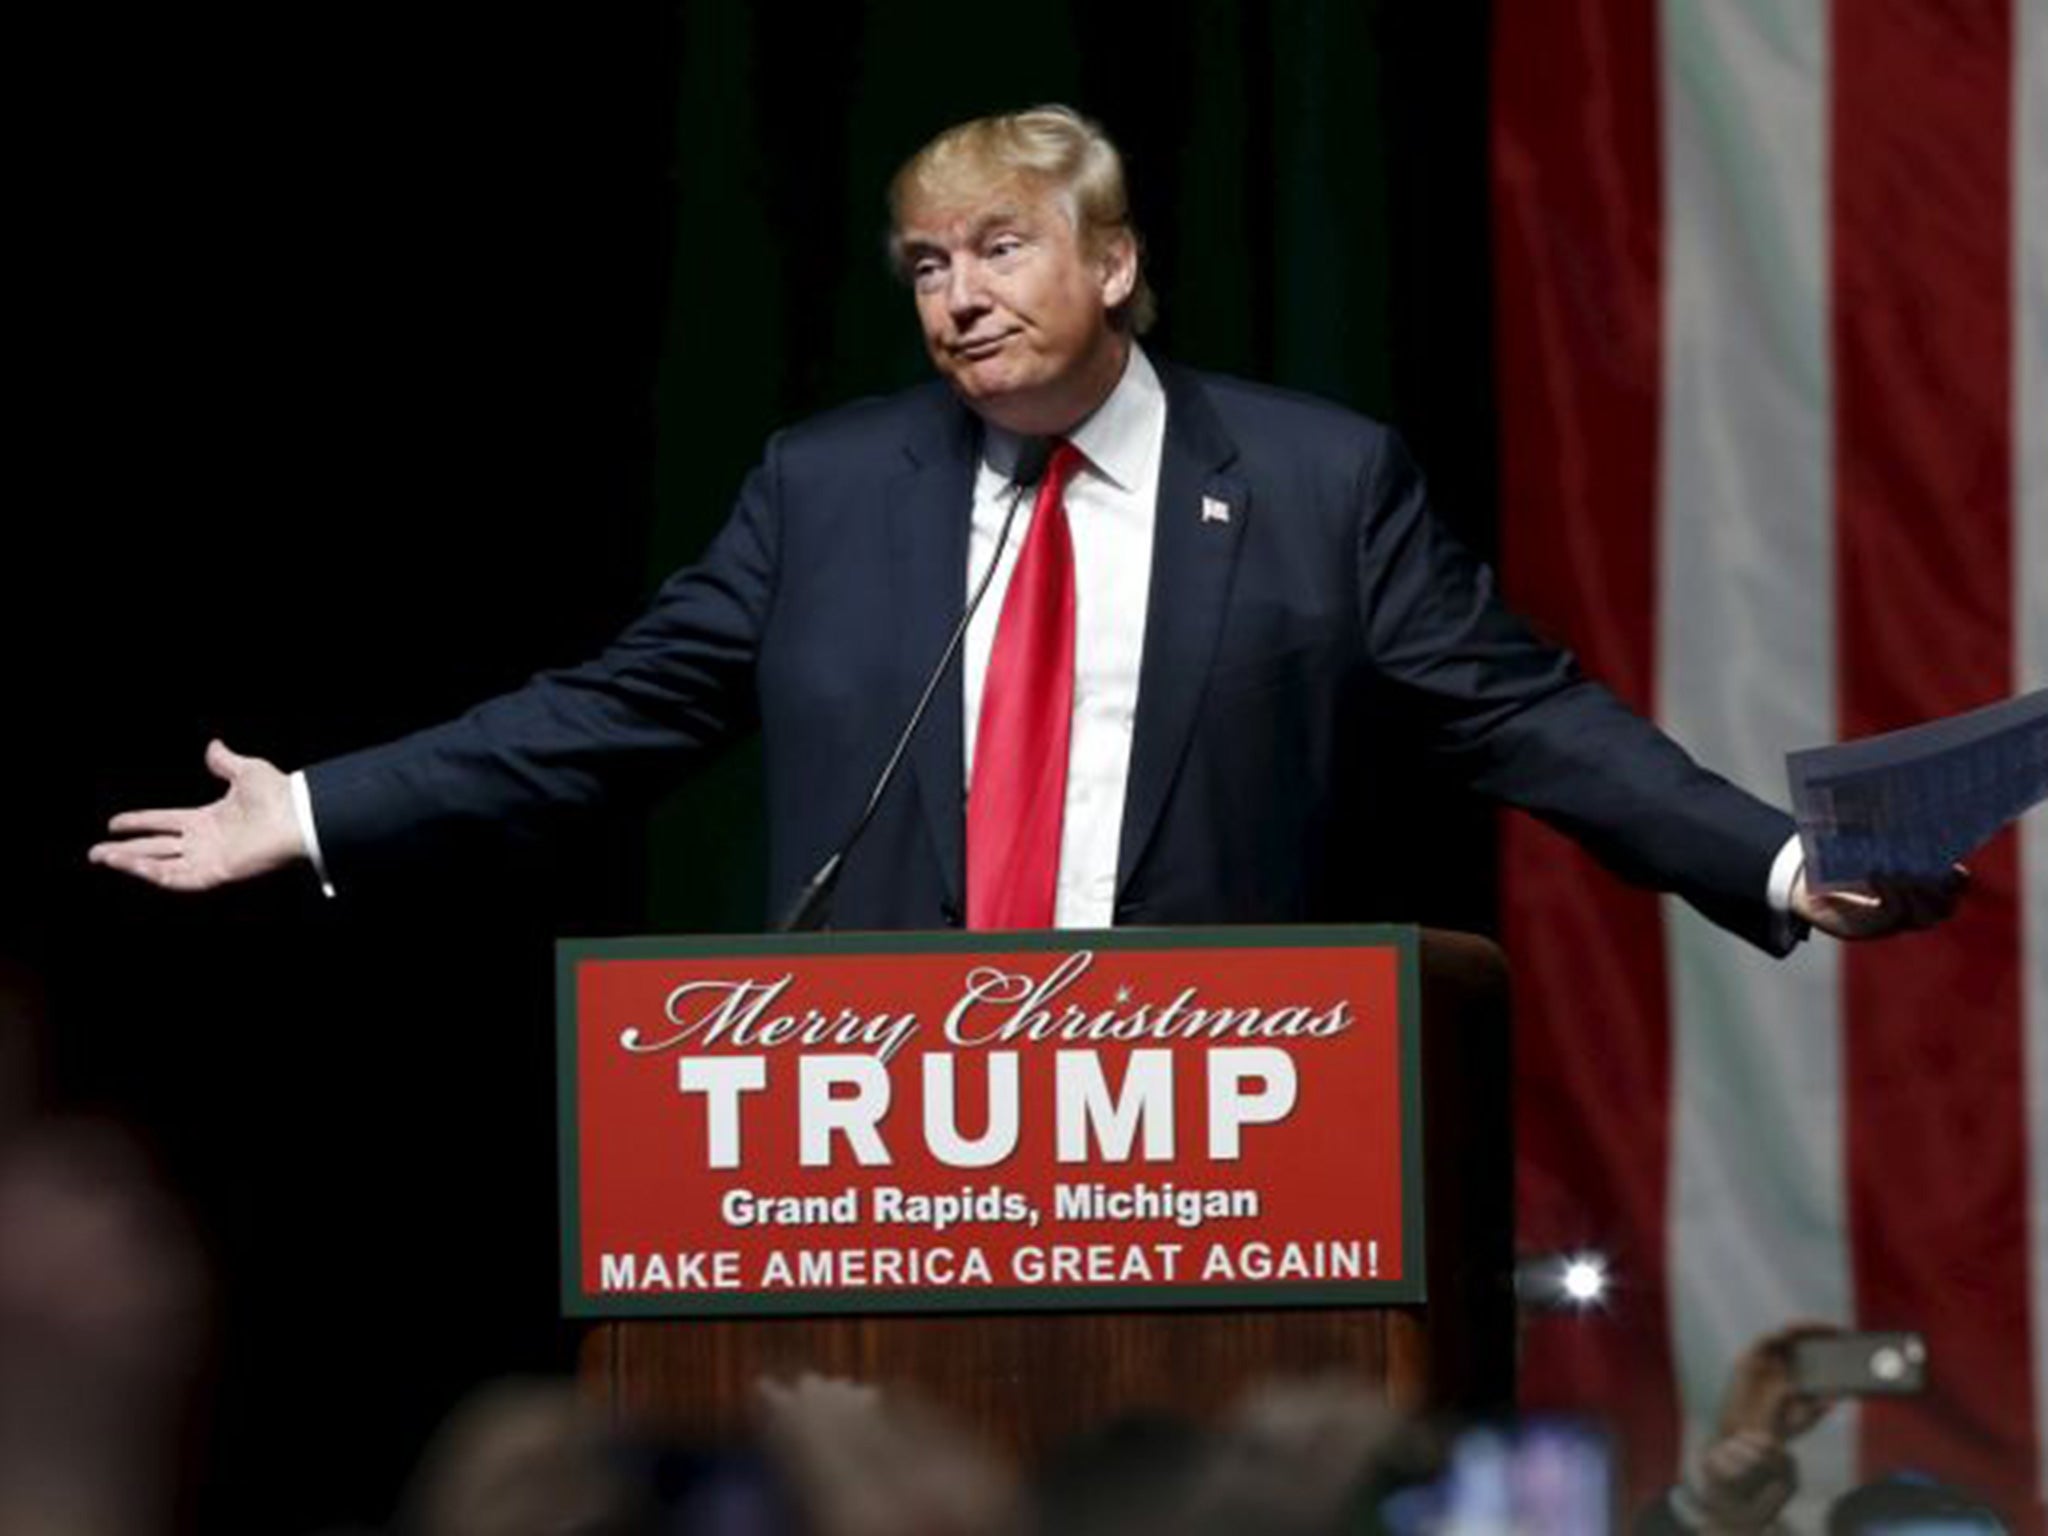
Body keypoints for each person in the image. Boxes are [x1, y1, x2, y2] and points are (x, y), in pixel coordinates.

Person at [87, 105, 1959, 946]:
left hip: (1205, 1150)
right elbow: (610, 710)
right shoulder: (829, 491)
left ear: (1119, 262)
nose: (957, 297)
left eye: (1001, 248)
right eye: (925, 264)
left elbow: (1528, 717)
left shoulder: (1318, 484)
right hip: (882, 1160)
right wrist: (321, 807)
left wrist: (1786, 869)